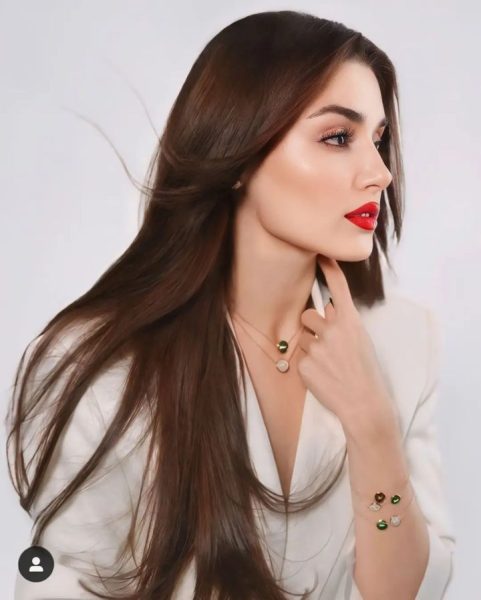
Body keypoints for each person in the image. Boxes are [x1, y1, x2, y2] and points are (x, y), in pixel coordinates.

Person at [6, 10, 456, 599]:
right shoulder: (100, 364)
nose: (379, 173)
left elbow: (402, 591)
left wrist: (372, 423)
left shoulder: (406, 341)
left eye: (379, 140)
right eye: (338, 138)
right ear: (239, 152)